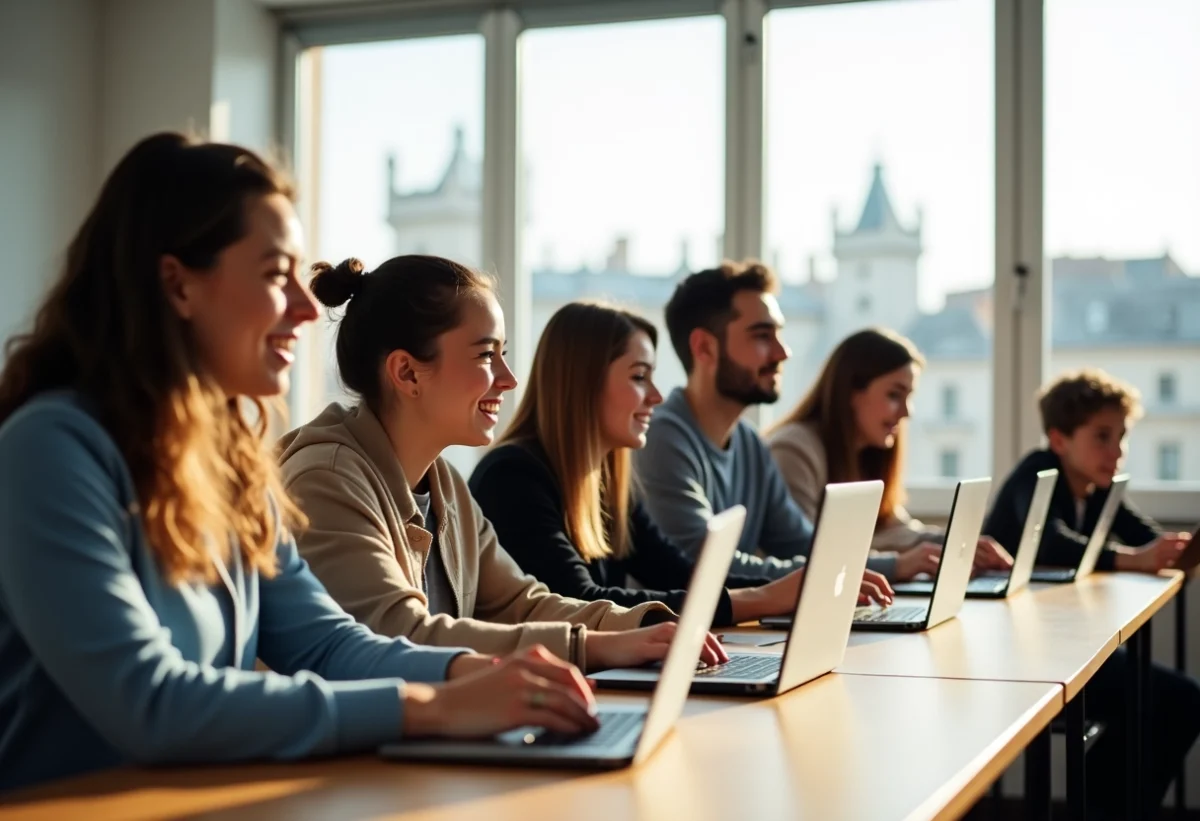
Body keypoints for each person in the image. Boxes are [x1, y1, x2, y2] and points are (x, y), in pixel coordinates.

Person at [0, 133, 599, 792]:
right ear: (178, 285)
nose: (309, 308)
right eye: (273, 274)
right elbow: (152, 704)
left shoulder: (230, 468)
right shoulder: (47, 449)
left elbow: (325, 643)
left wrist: (474, 675)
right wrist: (433, 705)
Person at [279, 256, 721, 674]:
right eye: (486, 355)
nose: (508, 379)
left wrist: (644, 627)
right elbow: (399, 635)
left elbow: (523, 603)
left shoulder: (445, 484)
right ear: (407, 373)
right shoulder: (326, 480)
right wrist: (596, 646)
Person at [469, 303, 893, 628]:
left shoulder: (608, 480)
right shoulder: (514, 478)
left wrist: (802, 582)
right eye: (639, 377)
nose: (656, 395)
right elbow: (580, 602)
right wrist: (768, 598)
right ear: (583, 386)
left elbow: (686, 574)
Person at [984, 368, 1199, 818]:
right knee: (1169, 701)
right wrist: (1133, 558)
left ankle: (1107, 809)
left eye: (1121, 438)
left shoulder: (1099, 490)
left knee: (1179, 700)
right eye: (1102, 437)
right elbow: (1046, 540)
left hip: (1067, 645)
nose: (1116, 452)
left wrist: (1174, 552)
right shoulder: (1037, 471)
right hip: (1010, 654)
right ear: (1059, 439)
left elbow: (1146, 538)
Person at [634, 260, 896, 584]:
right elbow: (707, 565)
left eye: (779, 334)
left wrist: (896, 567)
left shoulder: (748, 442)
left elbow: (803, 543)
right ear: (704, 347)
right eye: (762, 336)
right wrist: (822, 575)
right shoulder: (661, 438)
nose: (782, 352)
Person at [767, 328, 1012, 576]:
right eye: (894, 395)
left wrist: (960, 543)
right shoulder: (793, 449)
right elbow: (806, 552)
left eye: (909, 397)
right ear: (852, 392)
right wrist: (899, 563)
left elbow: (894, 530)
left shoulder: (866, 453)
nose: (907, 412)